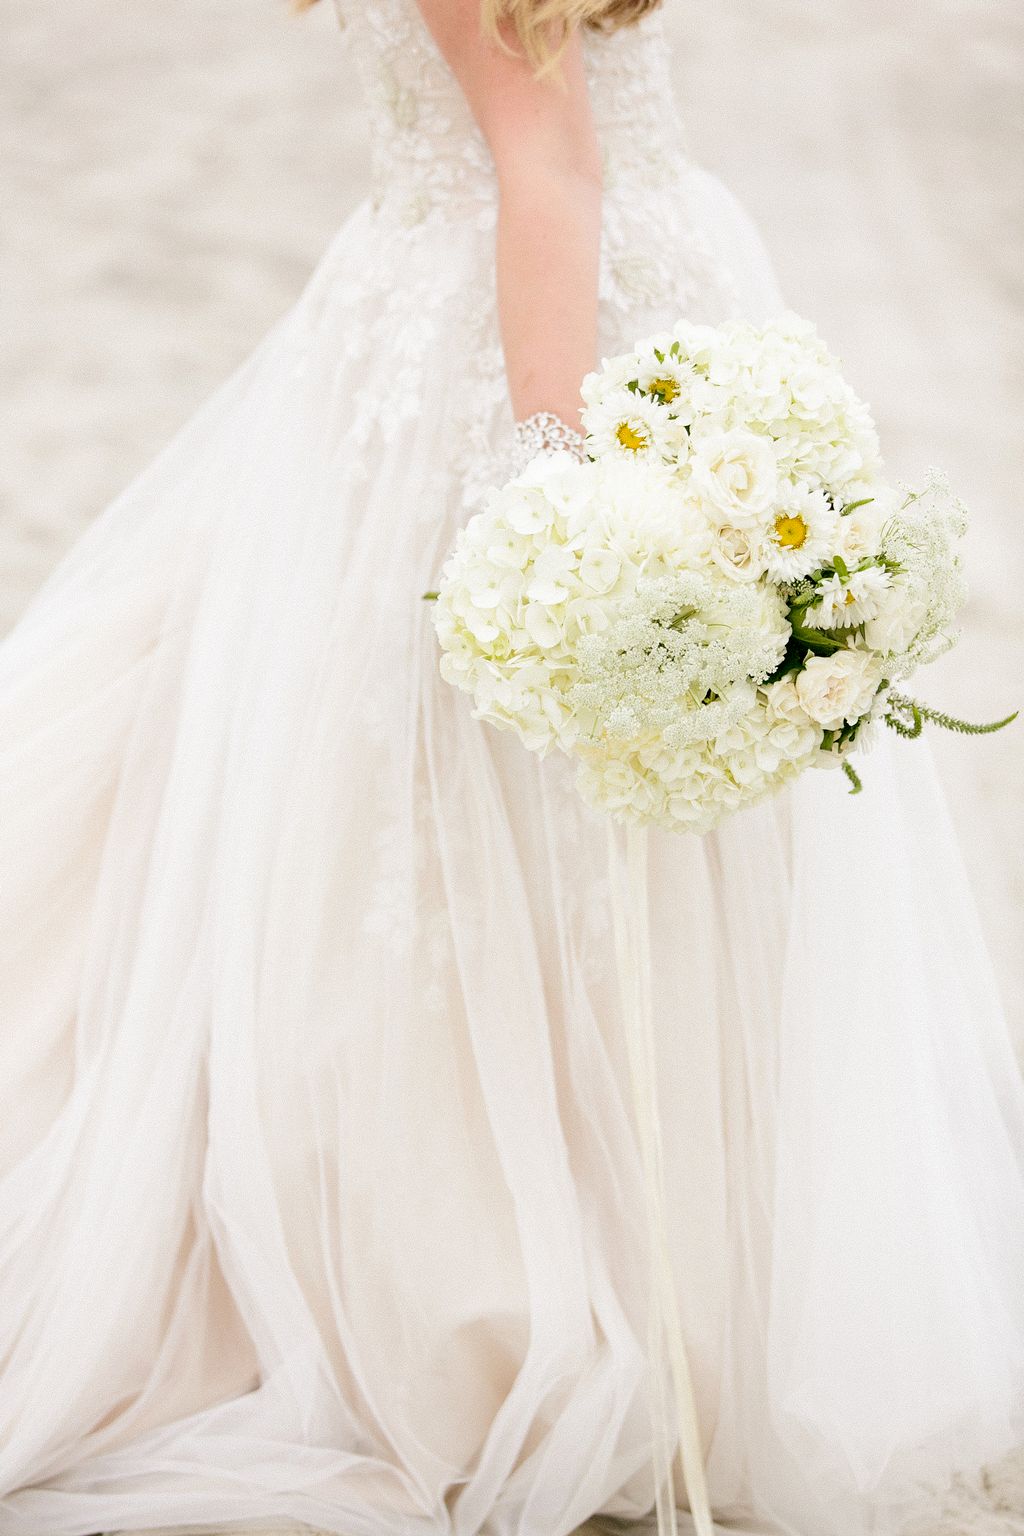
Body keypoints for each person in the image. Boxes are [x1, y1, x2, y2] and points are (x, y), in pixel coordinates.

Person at [1, 1, 1022, 1533]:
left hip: (571, 286)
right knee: (510, 782)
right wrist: (568, 499)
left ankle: (638, 1270)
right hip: (533, 331)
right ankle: (523, 1289)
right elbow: (544, 156)